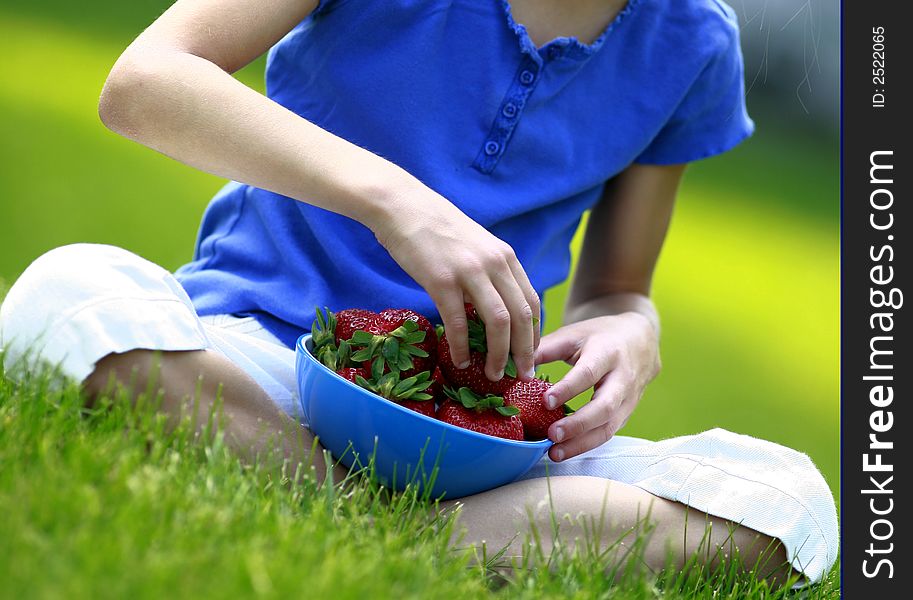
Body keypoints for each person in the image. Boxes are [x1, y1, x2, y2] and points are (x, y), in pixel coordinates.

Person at [0, 0, 836, 586]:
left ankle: (379, 518)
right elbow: (142, 83)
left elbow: (617, 288)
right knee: (68, 292)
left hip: (486, 444)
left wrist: (629, 332)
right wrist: (396, 204)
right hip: (259, 363)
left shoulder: (693, 41)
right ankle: (410, 526)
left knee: (794, 505)